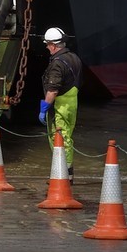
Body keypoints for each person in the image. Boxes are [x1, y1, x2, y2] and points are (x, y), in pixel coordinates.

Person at [39, 26, 83, 173]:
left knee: (58, 138)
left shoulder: (57, 63)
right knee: (67, 137)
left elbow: (53, 89)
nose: (47, 47)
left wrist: (44, 106)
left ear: (53, 45)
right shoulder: (74, 58)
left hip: (59, 107)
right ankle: (66, 172)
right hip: (72, 105)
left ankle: (63, 174)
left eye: (47, 45)